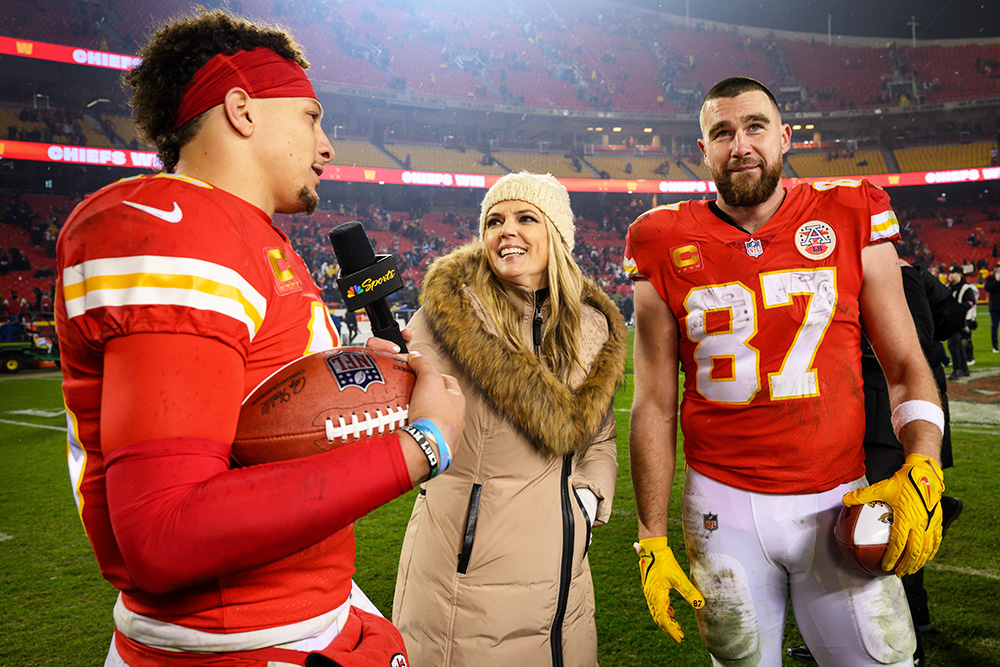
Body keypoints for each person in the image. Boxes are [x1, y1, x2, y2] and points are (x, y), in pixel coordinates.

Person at [55, 9, 465, 667]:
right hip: (234, 642)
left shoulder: (250, 237)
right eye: (310, 117)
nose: (326, 145)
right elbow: (165, 531)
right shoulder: (178, 227)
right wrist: (419, 445)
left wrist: (357, 373)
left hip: (295, 616)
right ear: (242, 109)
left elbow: (266, 409)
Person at [624, 77, 945, 666]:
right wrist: (650, 535)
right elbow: (652, 404)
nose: (739, 145)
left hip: (841, 496)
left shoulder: (850, 210)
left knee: (887, 660)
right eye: (722, 133)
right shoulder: (660, 238)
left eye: (754, 127)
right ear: (703, 149)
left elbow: (904, 365)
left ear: (785, 137)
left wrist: (922, 459)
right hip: (722, 506)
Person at [392, 172, 627, 666]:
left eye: (525, 217)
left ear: (557, 235)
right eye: (494, 220)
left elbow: (600, 438)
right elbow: (395, 418)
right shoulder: (444, 319)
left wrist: (587, 496)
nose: (506, 230)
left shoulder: (591, 327)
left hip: (566, 588)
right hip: (464, 585)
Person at [788, 259, 966, 665]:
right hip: (888, 410)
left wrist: (869, 336)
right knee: (894, 522)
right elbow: (950, 315)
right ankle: (911, 620)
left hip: (888, 415)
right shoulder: (905, 271)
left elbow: (915, 339)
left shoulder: (898, 274)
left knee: (880, 530)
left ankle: (904, 645)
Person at [945, 265, 977, 380]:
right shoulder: (948, 287)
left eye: (953, 273)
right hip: (951, 320)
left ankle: (957, 369)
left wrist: (957, 310)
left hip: (961, 320)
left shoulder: (966, 288)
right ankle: (964, 369)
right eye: (950, 273)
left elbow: (970, 302)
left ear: (959, 274)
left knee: (953, 343)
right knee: (956, 343)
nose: (950, 275)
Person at [984, 263, 1000, 353]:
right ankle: (995, 346)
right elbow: (987, 287)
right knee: (994, 327)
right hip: (994, 307)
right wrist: (997, 281)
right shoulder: (990, 278)